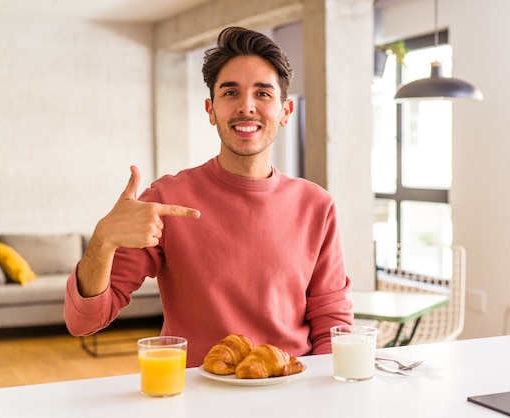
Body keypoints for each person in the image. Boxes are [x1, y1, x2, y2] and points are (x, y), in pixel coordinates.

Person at [64, 26, 353, 368]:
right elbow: (83, 321)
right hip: (198, 395)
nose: (246, 107)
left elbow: (331, 320)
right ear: (211, 109)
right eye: (231, 93)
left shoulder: (316, 206)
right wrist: (104, 239)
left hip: (291, 387)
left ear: (285, 111)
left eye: (262, 94)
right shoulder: (166, 199)